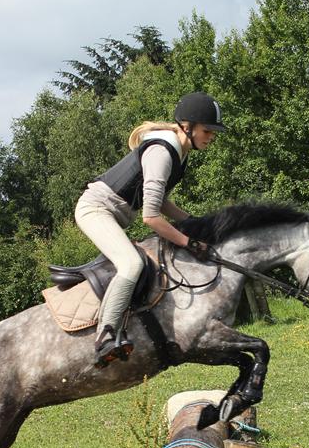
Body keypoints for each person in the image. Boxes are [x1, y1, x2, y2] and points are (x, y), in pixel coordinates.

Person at [75, 91, 225, 367]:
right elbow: (151, 217)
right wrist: (189, 242)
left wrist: (193, 222)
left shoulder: (180, 153)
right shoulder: (162, 152)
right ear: (187, 126)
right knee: (131, 265)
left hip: (114, 214)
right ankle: (106, 335)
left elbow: (161, 201)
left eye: (214, 132)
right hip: (95, 210)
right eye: (208, 130)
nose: (212, 136)